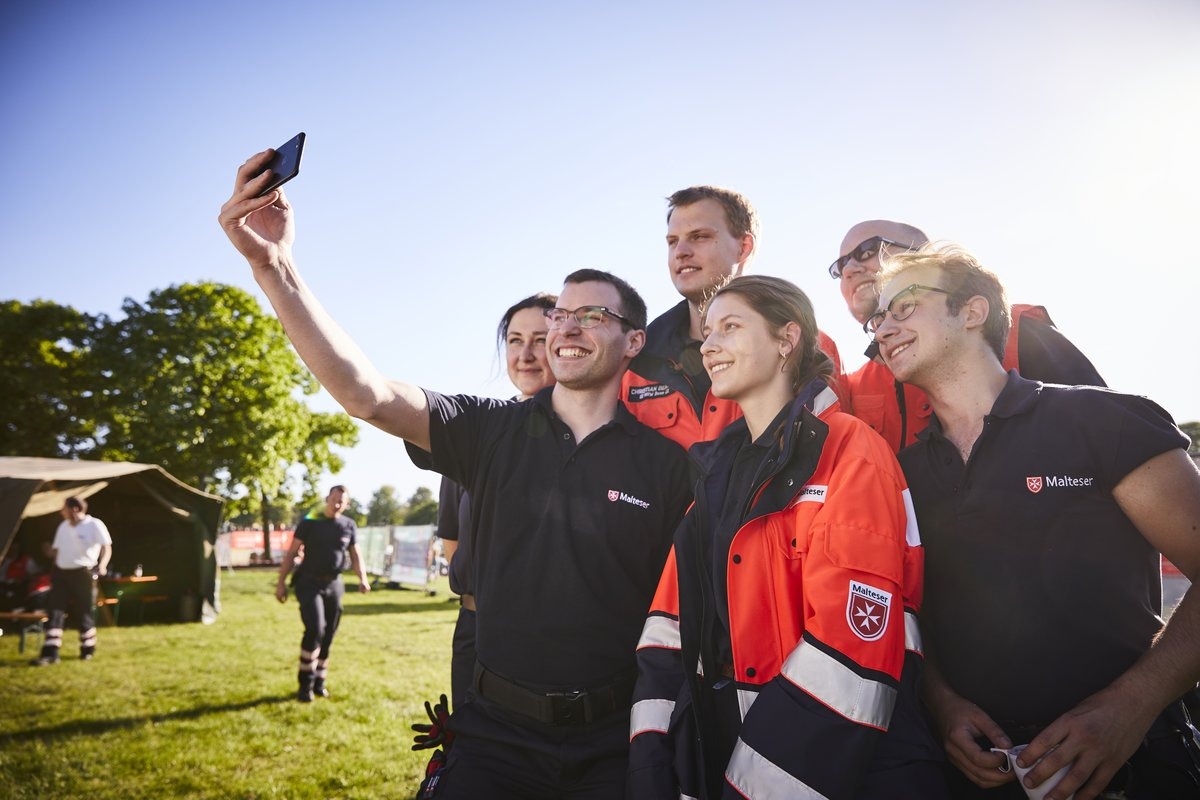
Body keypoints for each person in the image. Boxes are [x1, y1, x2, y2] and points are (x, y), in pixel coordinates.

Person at [219, 152, 691, 798]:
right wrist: (272, 266)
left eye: (594, 316)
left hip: (613, 742)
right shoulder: (486, 430)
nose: (568, 327)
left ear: (633, 342)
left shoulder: (667, 465)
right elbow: (365, 393)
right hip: (493, 737)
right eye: (561, 314)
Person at [871, 244, 1200, 799]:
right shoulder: (898, 475)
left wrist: (1130, 707)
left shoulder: (1104, 420)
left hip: (1132, 771)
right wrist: (942, 703)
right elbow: (903, 615)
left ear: (972, 311)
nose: (883, 328)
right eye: (877, 319)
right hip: (973, 777)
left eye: (902, 306)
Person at [629, 275, 947, 799]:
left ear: (786, 339)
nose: (709, 345)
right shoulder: (712, 477)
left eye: (730, 327)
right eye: (707, 333)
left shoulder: (851, 450)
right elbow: (666, 633)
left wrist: (752, 789)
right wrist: (653, 771)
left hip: (856, 771)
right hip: (724, 757)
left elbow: (851, 651)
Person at [830, 220, 1104, 451]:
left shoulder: (1018, 330)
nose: (850, 269)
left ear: (924, 255)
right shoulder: (853, 388)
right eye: (840, 267)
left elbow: (1104, 432)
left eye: (867, 250)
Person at [623, 186, 844, 448]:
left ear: (743, 247)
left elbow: (832, 452)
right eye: (672, 241)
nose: (680, 251)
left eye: (699, 236)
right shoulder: (636, 363)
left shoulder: (809, 344)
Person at [436, 291, 558, 711]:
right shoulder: (476, 434)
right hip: (473, 629)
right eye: (514, 340)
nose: (525, 354)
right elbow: (453, 538)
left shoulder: (595, 438)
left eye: (540, 339)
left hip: (550, 640)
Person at [276, 485, 370, 702]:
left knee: (328, 635)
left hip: (334, 583)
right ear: (327, 498)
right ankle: (305, 685)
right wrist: (281, 583)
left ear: (346, 504)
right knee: (315, 629)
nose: (337, 504)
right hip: (309, 582)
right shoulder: (310, 523)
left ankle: (320, 681)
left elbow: (355, 555)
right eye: (334, 499)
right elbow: (291, 553)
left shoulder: (348, 525)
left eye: (341, 501)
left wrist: (362, 578)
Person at [32, 496, 112, 665]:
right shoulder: (63, 527)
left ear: (74, 509)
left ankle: (87, 649)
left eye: (64, 508)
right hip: (61, 573)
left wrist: (103, 565)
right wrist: (49, 555)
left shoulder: (94, 525)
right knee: (55, 609)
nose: (62, 512)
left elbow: (106, 547)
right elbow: (57, 552)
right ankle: (51, 652)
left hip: (83, 573)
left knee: (84, 610)